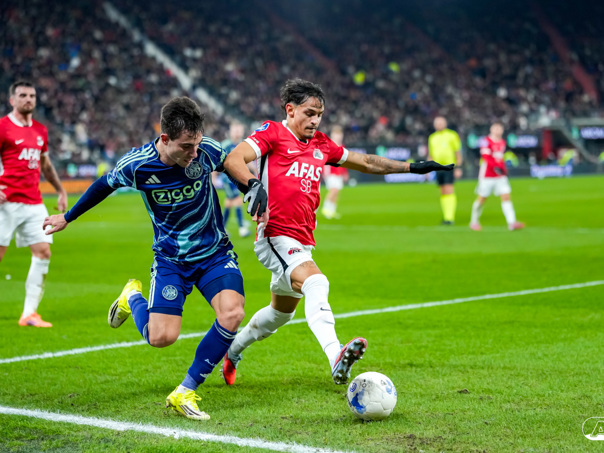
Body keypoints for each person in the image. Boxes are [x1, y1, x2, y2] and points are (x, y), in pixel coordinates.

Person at [221, 79, 453, 386]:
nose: (315, 120)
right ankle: (335, 356)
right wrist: (252, 184)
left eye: (319, 114)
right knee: (317, 282)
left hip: (302, 241)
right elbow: (233, 159)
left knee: (280, 314)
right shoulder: (272, 133)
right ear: (290, 110)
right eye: (309, 113)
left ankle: (231, 353)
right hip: (275, 234)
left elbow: (365, 162)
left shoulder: (321, 144)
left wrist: (411, 167)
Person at [43, 97, 246, 421]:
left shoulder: (206, 150)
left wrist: (252, 190)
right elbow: (104, 185)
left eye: (196, 144)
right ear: (165, 138)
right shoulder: (137, 165)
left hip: (214, 253)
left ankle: (186, 390)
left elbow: (231, 165)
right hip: (171, 260)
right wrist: (68, 217)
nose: (194, 153)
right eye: (186, 146)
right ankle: (131, 297)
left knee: (232, 313)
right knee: (161, 337)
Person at [0, 81, 68, 328]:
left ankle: (29, 314)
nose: (28, 99)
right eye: (22, 95)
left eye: (32, 95)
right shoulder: (3, 127)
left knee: (43, 252)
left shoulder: (40, 130)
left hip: (33, 201)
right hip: (6, 203)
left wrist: (60, 190)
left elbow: (45, 165)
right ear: (12, 100)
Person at [469, 122, 524, 231]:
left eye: (500, 128)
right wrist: (497, 167)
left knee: (506, 196)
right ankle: (474, 221)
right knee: (482, 198)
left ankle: (512, 222)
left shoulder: (502, 142)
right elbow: (486, 158)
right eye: (496, 128)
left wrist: (503, 169)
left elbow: (500, 158)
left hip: (500, 176)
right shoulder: (486, 141)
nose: (498, 130)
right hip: (487, 175)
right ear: (491, 129)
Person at [219, 121, 253, 237]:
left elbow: (245, 160)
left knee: (229, 203)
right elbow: (216, 159)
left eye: (239, 130)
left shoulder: (241, 145)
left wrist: (255, 170)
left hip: (236, 177)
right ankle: (242, 228)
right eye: (236, 130)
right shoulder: (226, 145)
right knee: (237, 200)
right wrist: (213, 177)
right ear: (231, 131)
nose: (238, 132)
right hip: (227, 179)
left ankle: (222, 228)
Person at [428, 116, 463, 225]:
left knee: (449, 190)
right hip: (438, 167)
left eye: (441, 123)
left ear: (445, 124)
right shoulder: (432, 137)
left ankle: (450, 218)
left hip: (449, 166)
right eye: (437, 123)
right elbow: (431, 154)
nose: (439, 125)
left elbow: (457, 152)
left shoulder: (452, 135)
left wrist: (458, 167)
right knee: (443, 191)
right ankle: (446, 216)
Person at [321, 125, 349, 219]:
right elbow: (325, 159)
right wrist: (325, 171)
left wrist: (345, 173)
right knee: (334, 190)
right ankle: (326, 208)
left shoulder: (342, 146)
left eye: (339, 134)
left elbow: (344, 162)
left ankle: (332, 210)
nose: (338, 136)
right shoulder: (329, 145)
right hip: (331, 172)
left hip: (339, 172)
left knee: (337, 191)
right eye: (336, 133)